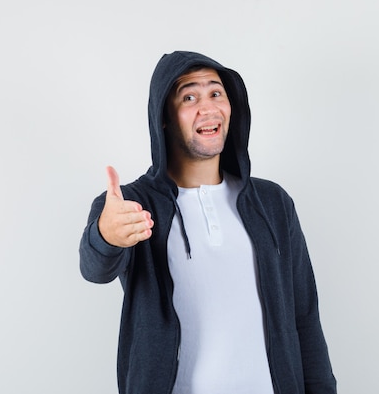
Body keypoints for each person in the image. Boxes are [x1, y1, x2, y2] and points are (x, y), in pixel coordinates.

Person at [79, 51, 337, 394]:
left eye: (216, 93)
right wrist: (105, 235)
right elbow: (95, 268)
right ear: (165, 117)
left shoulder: (272, 203)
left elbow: (304, 316)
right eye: (189, 97)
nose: (208, 107)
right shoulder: (131, 204)